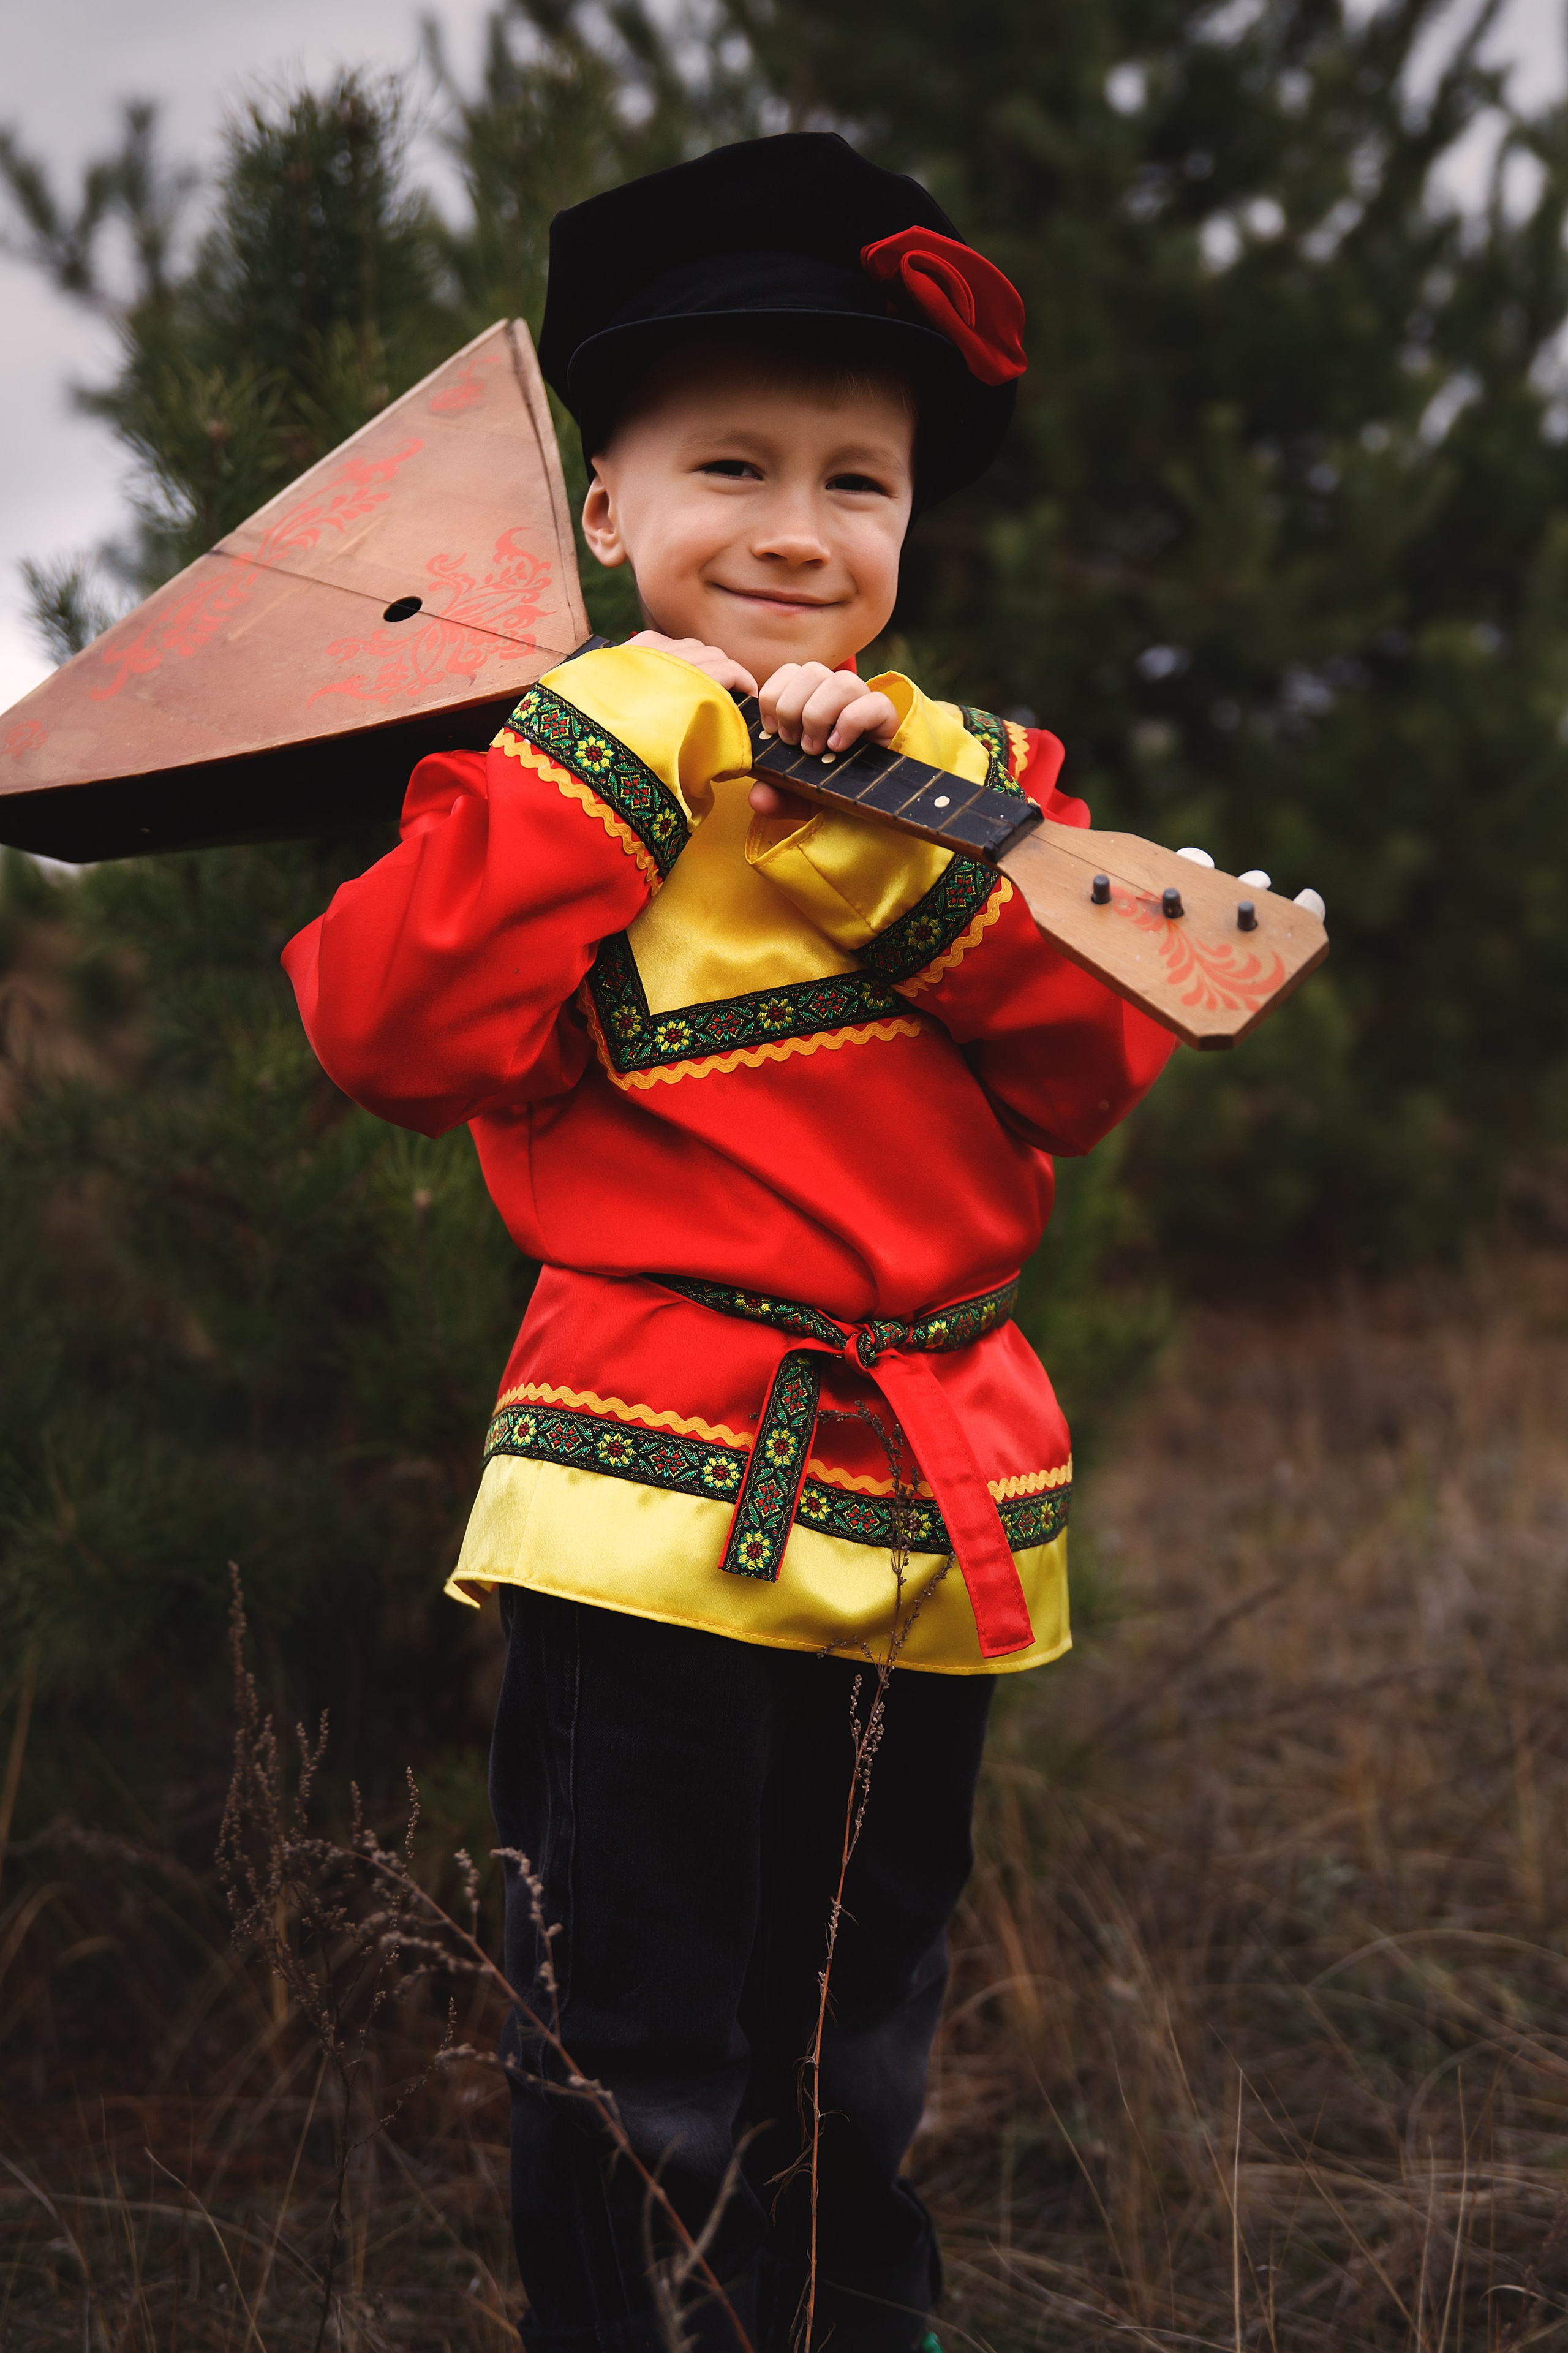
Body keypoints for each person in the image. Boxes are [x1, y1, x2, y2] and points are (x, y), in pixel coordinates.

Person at [282, 131, 1175, 2353]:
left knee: (854, 2050)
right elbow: (386, 1028)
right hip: (649, 1515)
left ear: (911, 518)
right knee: (637, 2059)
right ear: (606, 505)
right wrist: (613, 758)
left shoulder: (988, 776)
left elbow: (1097, 1060)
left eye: (857, 481)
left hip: (934, 1511)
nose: (795, 528)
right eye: (733, 468)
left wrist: (887, 837)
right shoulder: (542, 764)